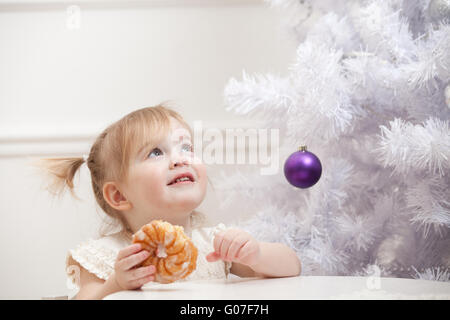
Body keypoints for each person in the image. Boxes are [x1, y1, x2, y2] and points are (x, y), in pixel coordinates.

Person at [39, 103, 301, 299]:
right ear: (119, 195)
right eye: (156, 152)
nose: (180, 158)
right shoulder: (108, 255)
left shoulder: (213, 246)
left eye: (186, 148)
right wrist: (115, 285)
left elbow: (292, 267)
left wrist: (256, 254)